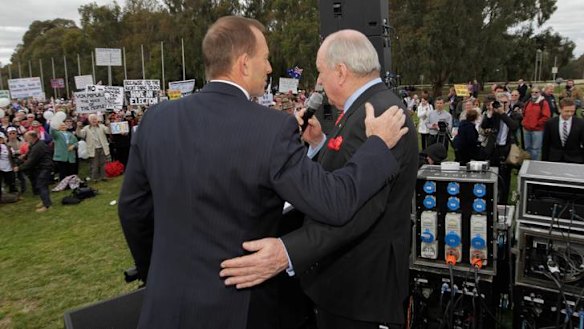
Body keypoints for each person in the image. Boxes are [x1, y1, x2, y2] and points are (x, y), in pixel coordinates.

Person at [118, 16, 408, 329]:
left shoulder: (156, 119)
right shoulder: (270, 129)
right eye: (265, 58)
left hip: (164, 306)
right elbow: (334, 201)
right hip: (239, 309)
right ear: (244, 64)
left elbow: (132, 210)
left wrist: (157, 273)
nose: (270, 68)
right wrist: (377, 146)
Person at [220, 29, 419, 329]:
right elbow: (346, 177)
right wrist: (319, 144)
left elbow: (356, 210)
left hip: (360, 290)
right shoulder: (366, 106)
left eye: (320, 72)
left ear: (340, 71)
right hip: (348, 283)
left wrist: (285, 254)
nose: (320, 83)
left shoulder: (376, 114)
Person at [481, 92, 522, 205]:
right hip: (494, 148)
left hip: (508, 148)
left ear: (509, 102)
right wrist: (489, 113)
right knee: (493, 174)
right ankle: (491, 199)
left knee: (505, 177)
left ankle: (503, 202)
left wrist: (503, 113)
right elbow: (484, 125)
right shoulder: (494, 114)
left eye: (505, 102)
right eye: (501, 103)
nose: (503, 105)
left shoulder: (515, 114)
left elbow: (513, 126)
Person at [14, 131, 53, 212]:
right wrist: (24, 156)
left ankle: (47, 206)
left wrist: (19, 168)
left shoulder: (38, 147)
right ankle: (45, 200)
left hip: (45, 167)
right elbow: (30, 152)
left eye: (26, 137)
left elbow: (31, 162)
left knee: (41, 185)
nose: (25, 139)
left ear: (31, 137)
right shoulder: (35, 144)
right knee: (42, 185)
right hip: (41, 167)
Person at [542, 97, 584, 163]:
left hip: (574, 159)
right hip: (554, 159)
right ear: (560, 109)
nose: (570, 114)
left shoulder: (580, 123)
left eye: (572, 111)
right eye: (567, 111)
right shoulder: (550, 123)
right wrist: (544, 161)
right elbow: (546, 144)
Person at [76, 114, 110, 181]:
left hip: (102, 147)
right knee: (94, 165)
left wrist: (108, 124)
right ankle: (95, 178)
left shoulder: (102, 126)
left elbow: (109, 131)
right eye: (92, 119)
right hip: (93, 148)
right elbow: (80, 135)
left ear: (97, 120)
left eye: (95, 119)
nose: (93, 120)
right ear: (89, 121)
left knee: (103, 163)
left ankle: (104, 177)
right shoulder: (86, 128)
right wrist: (78, 127)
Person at [522, 87, 551, 160]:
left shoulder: (543, 103)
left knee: (535, 149)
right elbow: (524, 113)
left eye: (536, 92)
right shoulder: (528, 102)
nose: (534, 94)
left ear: (540, 93)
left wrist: (537, 124)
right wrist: (525, 122)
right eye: (532, 92)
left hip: (537, 130)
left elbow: (546, 116)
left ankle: (534, 164)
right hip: (526, 129)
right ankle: (527, 163)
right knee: (527, 147)